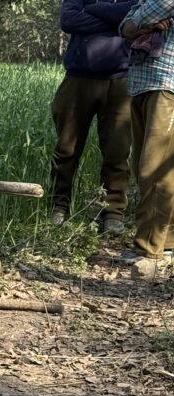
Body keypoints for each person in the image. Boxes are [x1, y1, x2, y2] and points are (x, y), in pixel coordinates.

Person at [49, 0, 135, 234]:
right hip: (77, 78)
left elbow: (135, 14)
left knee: (117, 153)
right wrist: (116, 21)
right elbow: (68, 21)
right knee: (66, 149)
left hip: (120, 79)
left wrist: (93, 10)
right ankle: (59, 206)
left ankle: (113, 212)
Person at [119, 2, 174, 279]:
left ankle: (149, 247)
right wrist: (144, 23)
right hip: (142, 81)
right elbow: (125, 26)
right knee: (143, 163)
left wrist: (141, 22)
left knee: (155, 167)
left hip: (167, 82)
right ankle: (166, 242)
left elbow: (145, 13)